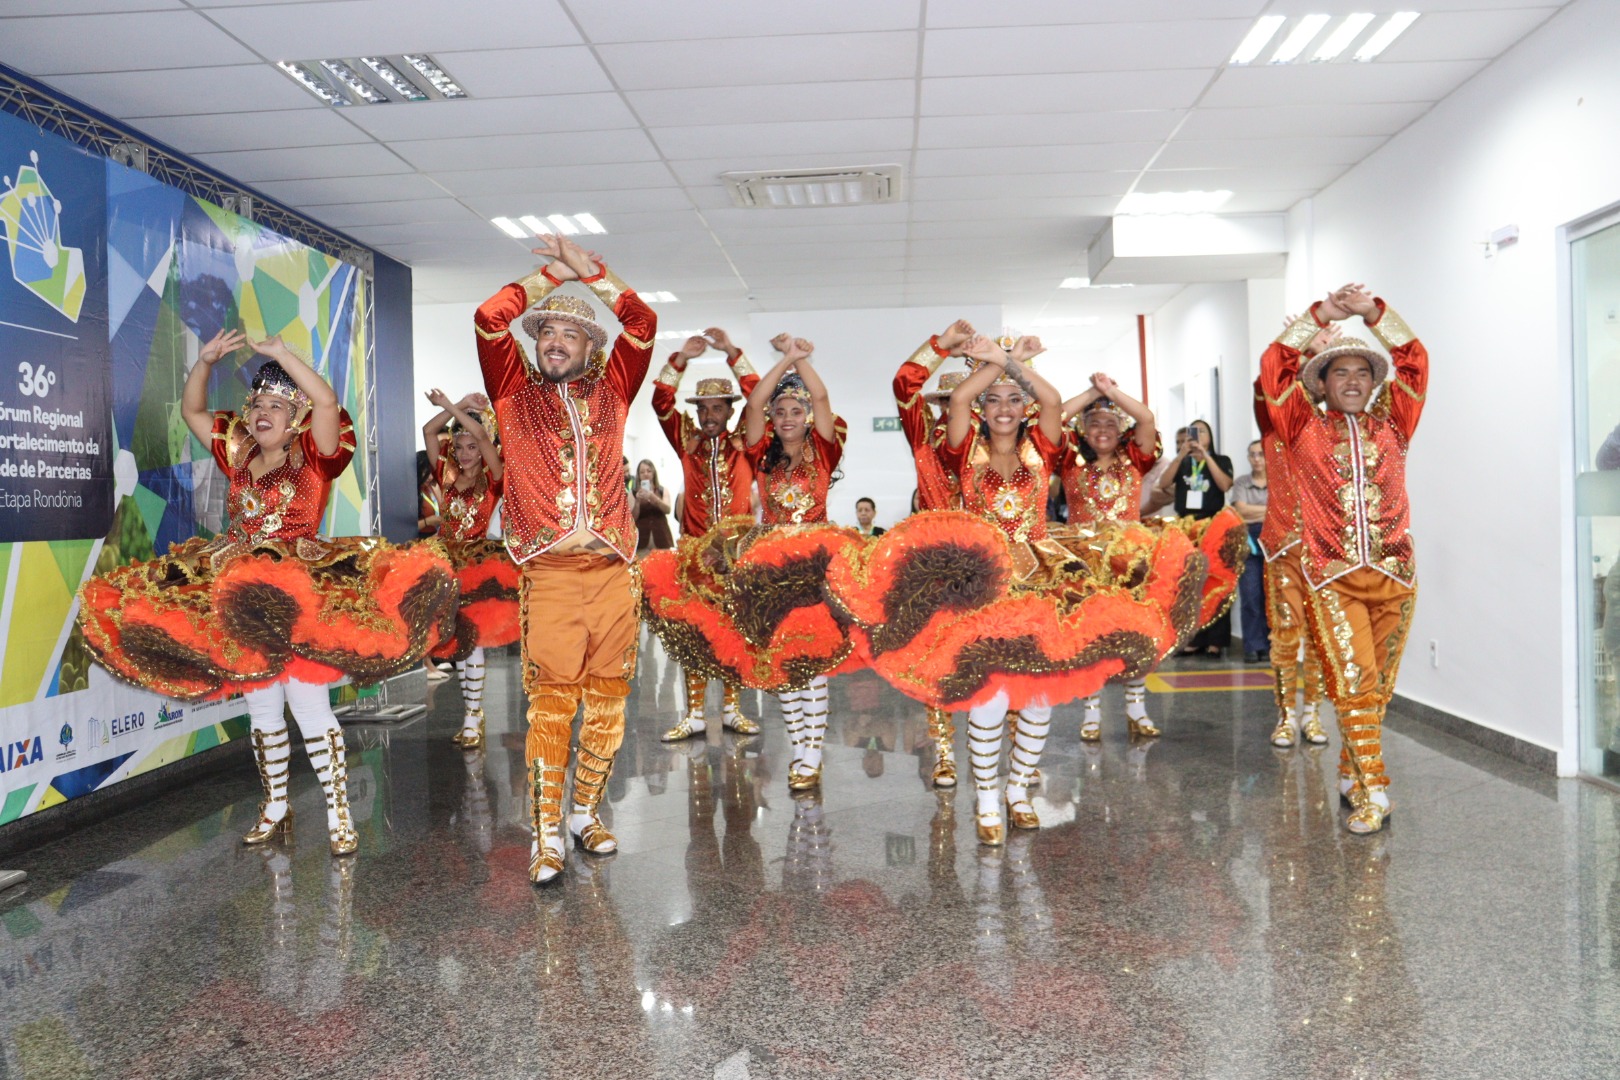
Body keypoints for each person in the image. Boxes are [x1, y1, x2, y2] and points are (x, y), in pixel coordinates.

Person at [78, 330, 458, 856]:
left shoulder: (314, 454)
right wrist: (204, 362)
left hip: (297, 596)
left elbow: (327, 401)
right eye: (257, 403)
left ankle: (339, 814)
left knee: (308, 706)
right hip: (240, 594)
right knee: (260, 708)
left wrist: (282, 355)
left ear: (297, 416)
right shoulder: (238, 451)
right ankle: (276, 807)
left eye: (276, 405)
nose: (262, 412)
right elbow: (192, 411)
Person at [475, 233, 654, 883]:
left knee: (609, 698)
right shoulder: (512, 392)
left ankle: (585, 813)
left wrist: (592, 273)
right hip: (549, 573)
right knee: (552, 702)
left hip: (613, 573)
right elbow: (488, 319)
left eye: (570, 334)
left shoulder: (614, 391)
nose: (555, 340)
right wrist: (552, 275)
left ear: (590, 348)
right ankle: (545, 833)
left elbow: (643, 324)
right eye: (546, 331)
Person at [1260, 283, 1426, 834]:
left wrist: (1375, 313)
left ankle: (1351, 774)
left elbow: (1415, 360)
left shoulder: (1395, 423)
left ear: (1374, 384)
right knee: (1353, 681)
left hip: (1396, 573)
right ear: (1322, 384)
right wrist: (1321, 315)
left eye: (1362, 373)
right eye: (1340, 373)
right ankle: (1376, 792)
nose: (1352, 381)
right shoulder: (1302, 425)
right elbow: (1274, 366)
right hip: (1333, 577)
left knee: (1377, 688)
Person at [941, 334, 1066, 845]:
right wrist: (996, 365)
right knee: (988, 696)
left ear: (1025, 407)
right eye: (993, 399)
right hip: (982, 589)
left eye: (1015, 399)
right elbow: (958, 399)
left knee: (1039, 696)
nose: (1004, 408)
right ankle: (988, 798)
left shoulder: (1042, 448)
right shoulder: (964, 451)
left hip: (1037, 586)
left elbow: (1053, 400)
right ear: (982, 408)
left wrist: (1010, 363)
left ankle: (1018, 791)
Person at [740, 334, 849, 791]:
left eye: (795, 411)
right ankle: (798, 742)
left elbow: (821, 396)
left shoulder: (824, 450)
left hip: (816, 568)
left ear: (807, 417)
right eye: (780, 411)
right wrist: (785, 359)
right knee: (781, 662)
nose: (787, 418)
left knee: (814, 661)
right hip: (771, 569)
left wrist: (801, 362)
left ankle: (813, 753)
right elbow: (753, 403)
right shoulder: (760, 454)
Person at [650, 327, 762, 741]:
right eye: (703, 409)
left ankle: (732, 709)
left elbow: (758, 396)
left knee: (734, 631)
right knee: (693, 633)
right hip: (694, 556)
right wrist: (680, 359)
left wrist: (732, 352)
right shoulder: (687, 441)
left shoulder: (746, 443)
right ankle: (695, 713)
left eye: (717, 408)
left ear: (730, 411)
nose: (710, 415)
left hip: (737, 556)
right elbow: (660, 401)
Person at [1058, 372, 1162, 741]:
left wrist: (1111, 392)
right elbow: (1053, 417)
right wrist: (1092, 392)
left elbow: (1146, 418)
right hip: (1084, 564)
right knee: (1090, 637)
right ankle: (1091, 712)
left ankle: (1137, 709)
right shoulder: (1068, 459)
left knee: (1137, 635)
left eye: (1110, 423)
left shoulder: (1135, 458)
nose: (1102, 430)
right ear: (1082, 429)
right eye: (1094, 423)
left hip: (1130, 563)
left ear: (1121, 430)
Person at [892, 319, 972, 787]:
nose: (951, 408)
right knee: (936, 658)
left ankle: (997, 752)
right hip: (935, 563)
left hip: (989, 563)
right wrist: (941, 345)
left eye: (963, 399)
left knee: (996, 655)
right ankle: (943, 751)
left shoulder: (997, 439)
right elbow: (905, 382)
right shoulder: (924, 437)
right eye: (945, 400)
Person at [422, 389, 517, 748]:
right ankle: (472, 714)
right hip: (447, 567)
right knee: (459, 644)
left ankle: (472, 717)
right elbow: (429, 432)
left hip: (479, 568)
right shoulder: (446, 473)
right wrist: (459, 405)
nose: (464, 453)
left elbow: (481, 434)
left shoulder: (493, 476)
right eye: (459, 446)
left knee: (472, 641)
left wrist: (451, 407)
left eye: (472, 447)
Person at [1252, 369, 1329, 750]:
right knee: (1284, 634)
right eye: (1299, 378)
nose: (1305, 388)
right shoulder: (1272, 428)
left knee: (1320, 637)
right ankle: (1286, 716)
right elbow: (1263, 383)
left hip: (1328, 551)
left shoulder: (1333, 428)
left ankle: (1312, 713)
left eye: (1314, 379)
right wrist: (1303, 346)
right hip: (1284, 548)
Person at [1160, 419, 1234, 656]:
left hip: (1212, 525)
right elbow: (1163, 483)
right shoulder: (1183, 462)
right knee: (1190, 582)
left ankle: (1216, 640)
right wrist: (1182, 454)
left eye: (1202, 431)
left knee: (1216, 580)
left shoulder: (1221, 460)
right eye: (1194, 431)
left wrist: (1206, 456)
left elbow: (1225, 485)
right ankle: (1192, 638)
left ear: (1210, 436)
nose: (1198, 435)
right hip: (1186, 526)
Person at [1228, 439, 1271, 664]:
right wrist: (1268, 511)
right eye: (1252, 454)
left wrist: (1258, 513)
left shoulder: (1278, 480)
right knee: (1250, 594)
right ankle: (1253, 646)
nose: (1256, 459)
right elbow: (1241, 511)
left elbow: (1283, 511)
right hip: (1248, 541)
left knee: (1271, 595)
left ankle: (1270, 646)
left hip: (1273, 541)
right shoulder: (1242, 483)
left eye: (1260, 454)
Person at [632, 460, 675, 555]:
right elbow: (632, 518)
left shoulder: (662, 490)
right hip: (641, 539)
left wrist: (653, 498)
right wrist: (637, 502)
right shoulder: (633, 493)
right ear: (638, 475)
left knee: (663, 563)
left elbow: (668, 509)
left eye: (649, 471)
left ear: (654, 472)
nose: (646, 474)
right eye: (642, 472)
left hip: (661, 537)